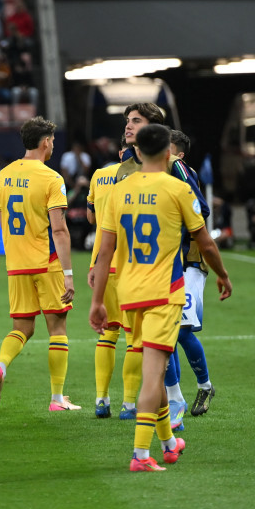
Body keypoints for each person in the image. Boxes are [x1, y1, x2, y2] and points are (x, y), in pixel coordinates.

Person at [89, 124, 232, 472]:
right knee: (154, 374)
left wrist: (97, 301)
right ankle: (140, 455)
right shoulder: (177, 188)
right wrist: (223, 275)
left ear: (138, 151)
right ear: (168, 152)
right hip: (163, 293)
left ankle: (169, 443)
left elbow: (105, 250)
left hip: (127, 291)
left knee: (158, 366)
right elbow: (205, 241)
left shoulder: (118, 191)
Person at [0, 117, 82, 413]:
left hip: (16, 264)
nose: (52, 145)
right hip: (46, 261)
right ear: (44, 143)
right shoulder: (51, 178)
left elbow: (2, 217)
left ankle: (0, 366)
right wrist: (68, 274)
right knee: (58, 327)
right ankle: (57, 398)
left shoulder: (4, 174)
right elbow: (60, 230)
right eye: (51, 141)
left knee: (22, 327)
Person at [163, 130, 217, 431]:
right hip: (169, 264)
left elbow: (200, 212)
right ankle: (176, 397)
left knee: (180, 332)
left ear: (178, 154)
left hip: (190, 262)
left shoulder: (182, 171)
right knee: (167, 333)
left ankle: (205, 385)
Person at [87, 136, 141, 419]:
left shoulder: (99, 175)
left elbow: (91, 218)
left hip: (103, 265)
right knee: (134, 338)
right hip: (134, 266)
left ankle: (101, 400)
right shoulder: (144, 179)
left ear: (120, 152)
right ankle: (129, 405)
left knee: (107, 334)